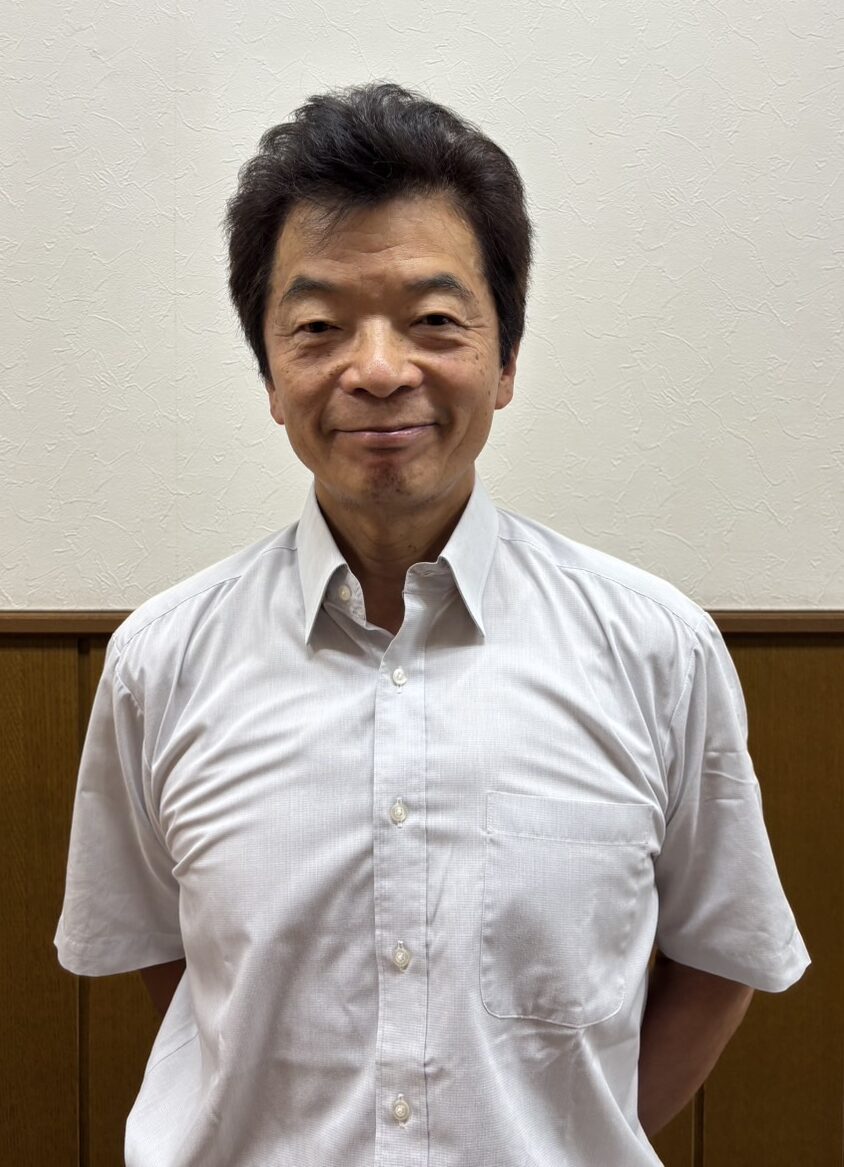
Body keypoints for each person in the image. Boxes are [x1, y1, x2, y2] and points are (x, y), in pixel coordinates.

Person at [55, 81, 809, 1167]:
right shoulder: (160, 662)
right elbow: (169, 960)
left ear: (505, 361)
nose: (377, 370)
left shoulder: (657, 649)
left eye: (434, 322)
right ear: (270, 371)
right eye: (319, 327)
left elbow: (722, 949)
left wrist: (568, 1138)